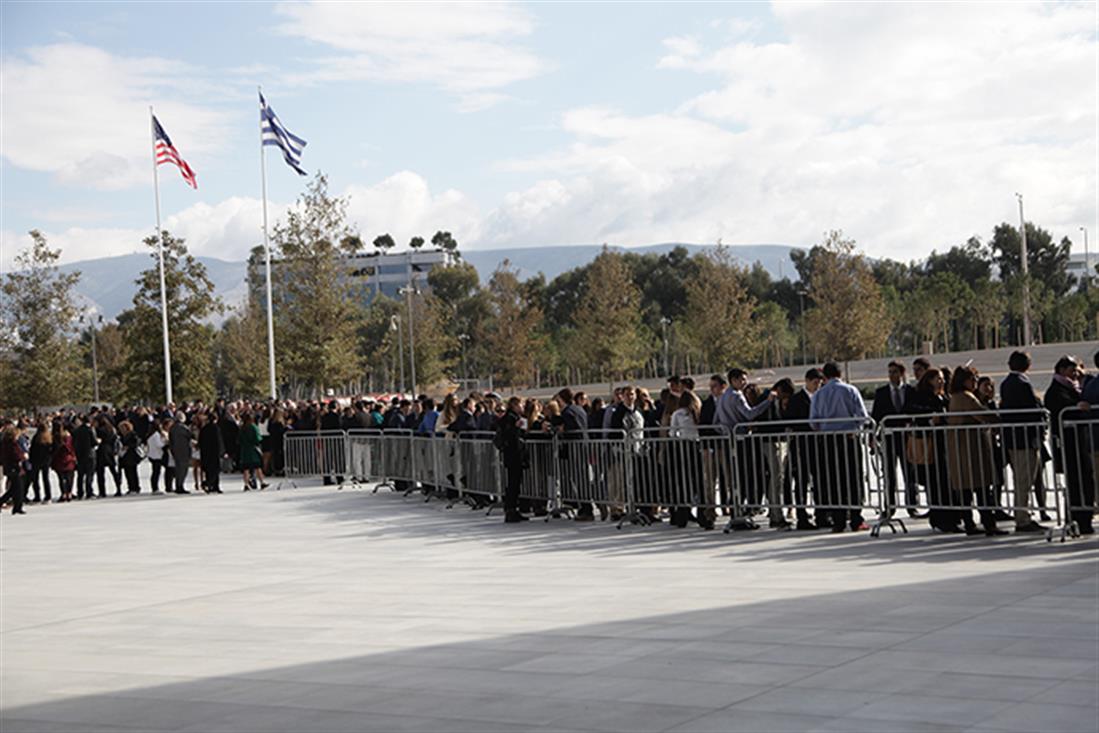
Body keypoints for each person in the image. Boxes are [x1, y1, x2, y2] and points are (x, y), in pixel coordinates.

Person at [809, 362, 869, 532]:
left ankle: (838, 520)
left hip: (828, 441)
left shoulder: (818, 395)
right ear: (840, 373)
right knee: (853, 478)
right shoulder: (851, 390)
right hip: (849, 438)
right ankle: (856, 518)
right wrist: (855, 428)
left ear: (824, 377)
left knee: (833, 479)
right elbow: (863, 416)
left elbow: (813, 422)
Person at [945, 366, 1004, 536]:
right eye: (973, 379)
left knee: (967, 489)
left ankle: (970, 522)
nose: (976, 382)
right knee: (983, 488)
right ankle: (988, 524)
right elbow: (981, 414)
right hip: (971, 447)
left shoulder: (955, 396)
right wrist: (999, 419)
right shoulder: (965, 397)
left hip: (962, 446)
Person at [1045, 356, 1094, 535]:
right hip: (1069, 443)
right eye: (1072, 370)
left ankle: (1081, 517)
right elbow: (1062, 409)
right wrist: (1076, 406)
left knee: (1082, 479)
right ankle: (1079, 519)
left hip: (1078, 441)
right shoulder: (1057, 390)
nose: (1075, 374)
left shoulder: (1072, 387)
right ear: (1062, 370)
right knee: (1077, 481)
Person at [998, 351, 1047, 533]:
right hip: (1025, 439)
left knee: (1021, 478)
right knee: (1024, 479)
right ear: (1028, 365)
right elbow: (1032, 409)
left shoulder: (1006, 384)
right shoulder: (1023, 384)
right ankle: (1022, 518)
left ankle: (1023, 515)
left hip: (1013, 438)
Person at [872, 361, 919, 518]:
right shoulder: (881, 393)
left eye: (895, 372)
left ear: (902, 373)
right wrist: (872, 436)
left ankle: (912, 505)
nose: (892, 375)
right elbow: (876, 416)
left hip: (907, 438)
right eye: (890, 372)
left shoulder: (911, 391)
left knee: (910, 473)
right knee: (889, 474)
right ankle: (889, 506)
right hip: (888, 438)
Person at [785, 369, 822, 530]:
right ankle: (802, 515)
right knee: (801, 481)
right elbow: (790, 420)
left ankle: (821, 514)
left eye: (819, 383)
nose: (817, 386)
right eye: (815, 383)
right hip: (801, 444)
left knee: (820, 480)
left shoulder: (821, 397)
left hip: (818, 444)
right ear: (807, 381)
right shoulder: (796, 399)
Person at [670, 389, 709, 528]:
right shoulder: (698, 413)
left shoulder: (677, 414)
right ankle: (703, 514)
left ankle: (682, 515)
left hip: (683, 446)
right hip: (696, 446)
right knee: (699, 481)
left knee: (683, 482)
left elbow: (672, 432)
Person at [495, 396, 528, 523]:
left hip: (512, 454)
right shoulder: (510, 418)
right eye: (521, 405)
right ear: (514, 405)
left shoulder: (511, 418)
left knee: (514, 482)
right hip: (514, 454)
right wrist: (516, 427)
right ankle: (511, 509)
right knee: (513, 482)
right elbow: (509, 434)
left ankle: (512, 508)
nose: (522, 407)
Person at [0, 425, 28, 514]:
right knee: (18, 488)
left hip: (10, 467)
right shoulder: (11, 443)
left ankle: (17, 506)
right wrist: (23, 456)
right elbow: (15, 455)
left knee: (14, 488)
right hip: (13, 467)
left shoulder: (6, 443)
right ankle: (17, 507)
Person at [95, 416, 122, 497]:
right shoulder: (112, 429)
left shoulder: (98, 430)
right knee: (113, 471)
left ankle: (102, 491)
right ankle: (118, 489)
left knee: (100, 473)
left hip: (101, 451)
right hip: (110, 450)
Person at [71, 415, 97, 500]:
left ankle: (80, 492)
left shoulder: (76, 431)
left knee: (80, 475)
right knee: (89, 474)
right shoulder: (90, 430)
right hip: (90, 454)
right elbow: (94, 442)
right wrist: (98, 441)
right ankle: (89, 492)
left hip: (80, 455)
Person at [199, 412, 225, 494]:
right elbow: (219, 441)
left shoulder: (204, 429)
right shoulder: (216, 428)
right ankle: (209, 483)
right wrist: (222, 452)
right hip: (215, 452)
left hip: (206, 453)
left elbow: (200, 441)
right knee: (216, 470)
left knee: (208, 470)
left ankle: (212, 487)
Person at [239, 412, 266, 491]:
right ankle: (262, 482)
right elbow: (258, 438)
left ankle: (246, 484)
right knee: (257, 467)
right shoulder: (253, 427)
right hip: (253, 449)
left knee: (246, 469)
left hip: (245, 450)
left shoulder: (242, 428)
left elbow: (239, 440)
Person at [29, 420, 53, 503]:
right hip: (46, 461)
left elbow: (32, 450)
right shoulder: (49, 438)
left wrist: (31, 459)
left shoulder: (36, 438)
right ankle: (48, 496)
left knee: (35, 479)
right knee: (46, 479)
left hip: (36, 461)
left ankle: (37, 496)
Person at [168, 412, 192, 494]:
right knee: (183, 469)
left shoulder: (172, 428)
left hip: (175, 450)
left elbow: (170, 440)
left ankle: (178, 485)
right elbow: (190, 436)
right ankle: (180, 486)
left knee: (178, 469)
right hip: (184, 450)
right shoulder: (184, 428)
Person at [52, 422, 76, 502]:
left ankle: (63, 493)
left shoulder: (55, 437)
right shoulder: (68, 437)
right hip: (68, 458)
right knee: (70, 477)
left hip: (59, 459)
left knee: (61, 478)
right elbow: (71, 447)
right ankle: (69, 493)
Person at [117, 420, 143, 494]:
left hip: (132, 455)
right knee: (127, 473)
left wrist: (128, 446)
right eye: (121, 428)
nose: (122, 430)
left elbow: (137, 442)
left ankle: (135, 487)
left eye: (123, 428)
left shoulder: (132, 434)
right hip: (124, 456)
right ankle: (131, 487)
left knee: (133, 472)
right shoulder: (121, 436)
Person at [147, 418, 171, 494]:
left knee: (155, 471)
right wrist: (166, 443)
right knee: (156, 472)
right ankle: (155, 488)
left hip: (152, 455)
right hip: (156, 455)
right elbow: (159, 445)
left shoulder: (150, 435)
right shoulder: (156, 435)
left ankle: (154, 487)